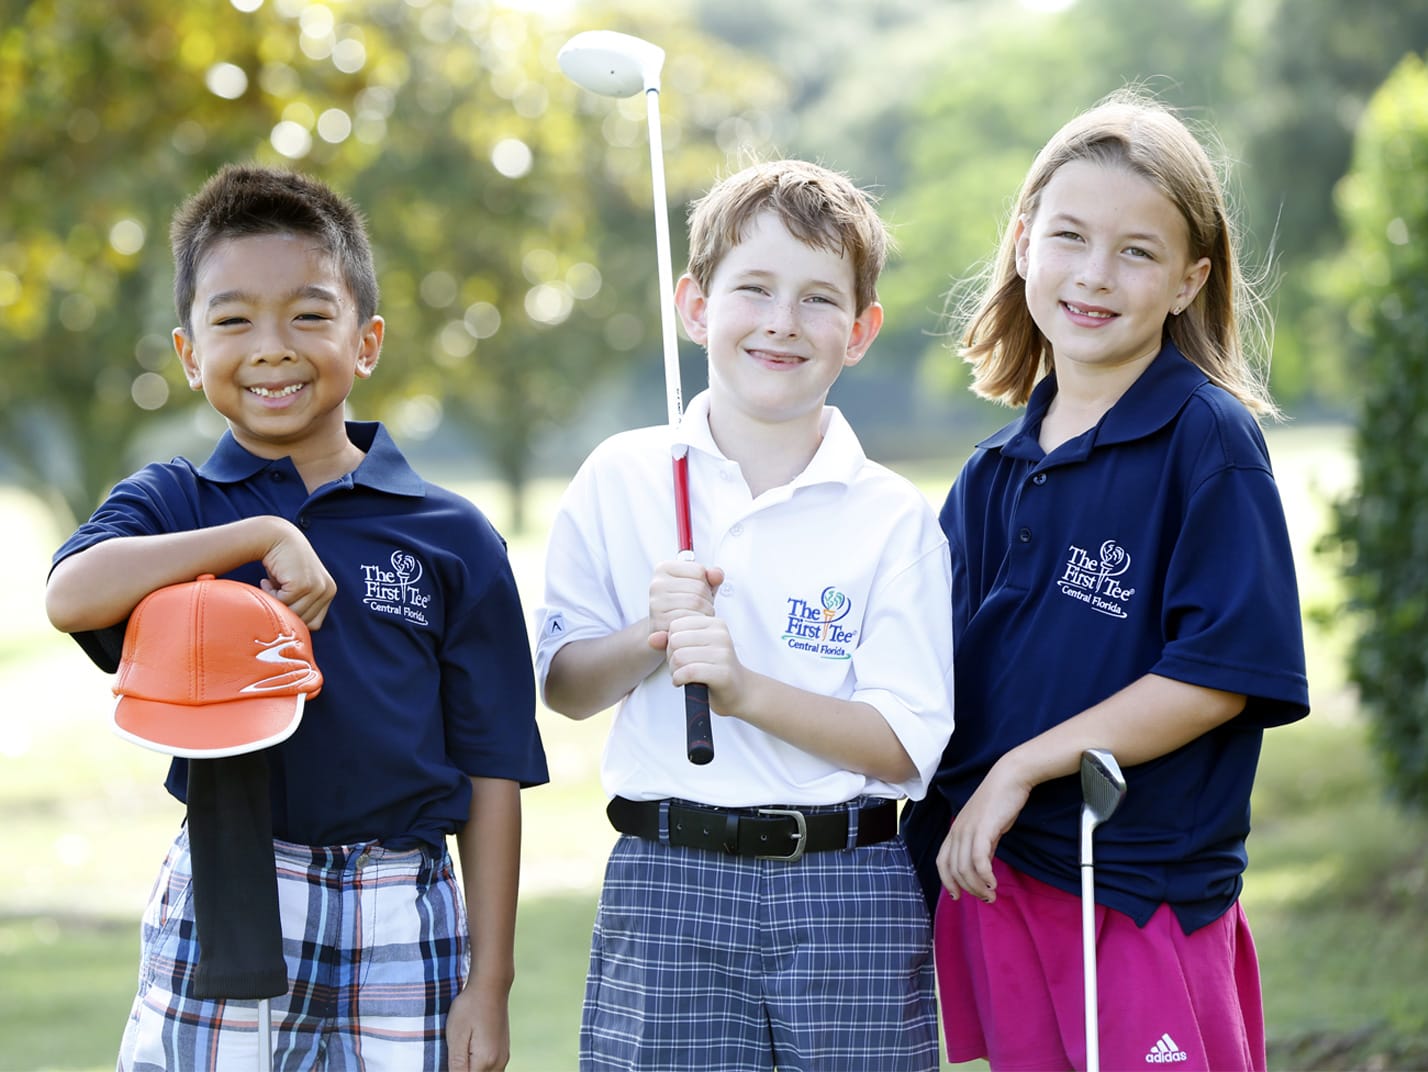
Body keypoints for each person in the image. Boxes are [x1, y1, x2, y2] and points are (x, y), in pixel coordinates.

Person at [45, 164, 548, 1071]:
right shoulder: (176, 500)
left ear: (367, 341)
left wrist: (491, 984)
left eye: (310, 315)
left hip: (404, 897)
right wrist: (261, 531)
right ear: (190, 353)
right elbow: (71, 594)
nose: (272, 347)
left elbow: (493, 770)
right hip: (230, 883)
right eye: (233, 320)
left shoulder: (454, 536)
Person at [898, 90, 1311, 1072]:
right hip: (1002, 882)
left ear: (1187, 279)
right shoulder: (991, 471)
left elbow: (1221, 669)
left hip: (1137, 895)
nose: (1093, 274)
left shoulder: (1207, 439)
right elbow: (923, 679)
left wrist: (1020, 767)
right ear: (1022, 242)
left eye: (1136, 250)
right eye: (1070, 236)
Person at [535, 158, 955, 1072]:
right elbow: (564, 685)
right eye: (753, 289)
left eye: (817, 300)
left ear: (861, 330)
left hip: (849, 885)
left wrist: (743, 689)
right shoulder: (623, 476)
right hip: (669, 876)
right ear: (694, 306)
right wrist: (651, 635)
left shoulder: (893, 516)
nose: (780, 322)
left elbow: (904, 743)